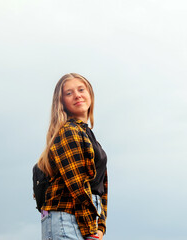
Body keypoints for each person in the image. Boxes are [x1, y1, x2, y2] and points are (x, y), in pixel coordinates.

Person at [37, 73, 108, 240]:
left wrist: (100, 227)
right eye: (69, 93)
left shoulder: (89, 136)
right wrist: (91, 228)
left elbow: (100, 188)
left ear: (89, 93)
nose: (77, 95)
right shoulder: (69, 131)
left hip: (81, 218)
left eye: (81, 89)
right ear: (61, 102)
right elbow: (77, 186)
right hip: (68, 218)